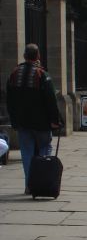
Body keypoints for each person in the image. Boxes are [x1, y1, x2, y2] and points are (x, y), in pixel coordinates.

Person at [6, 43, 62, 194]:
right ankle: (41, 181)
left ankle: (29, 184)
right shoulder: (42, 75)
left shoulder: (14, 74)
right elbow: (51, 100)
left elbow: (9, 100)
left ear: (24, 56)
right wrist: (55, 120)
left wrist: (14, 120)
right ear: (38, 56)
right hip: (42, 122)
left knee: (27, 153)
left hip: (22, 122)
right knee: (45, 148)